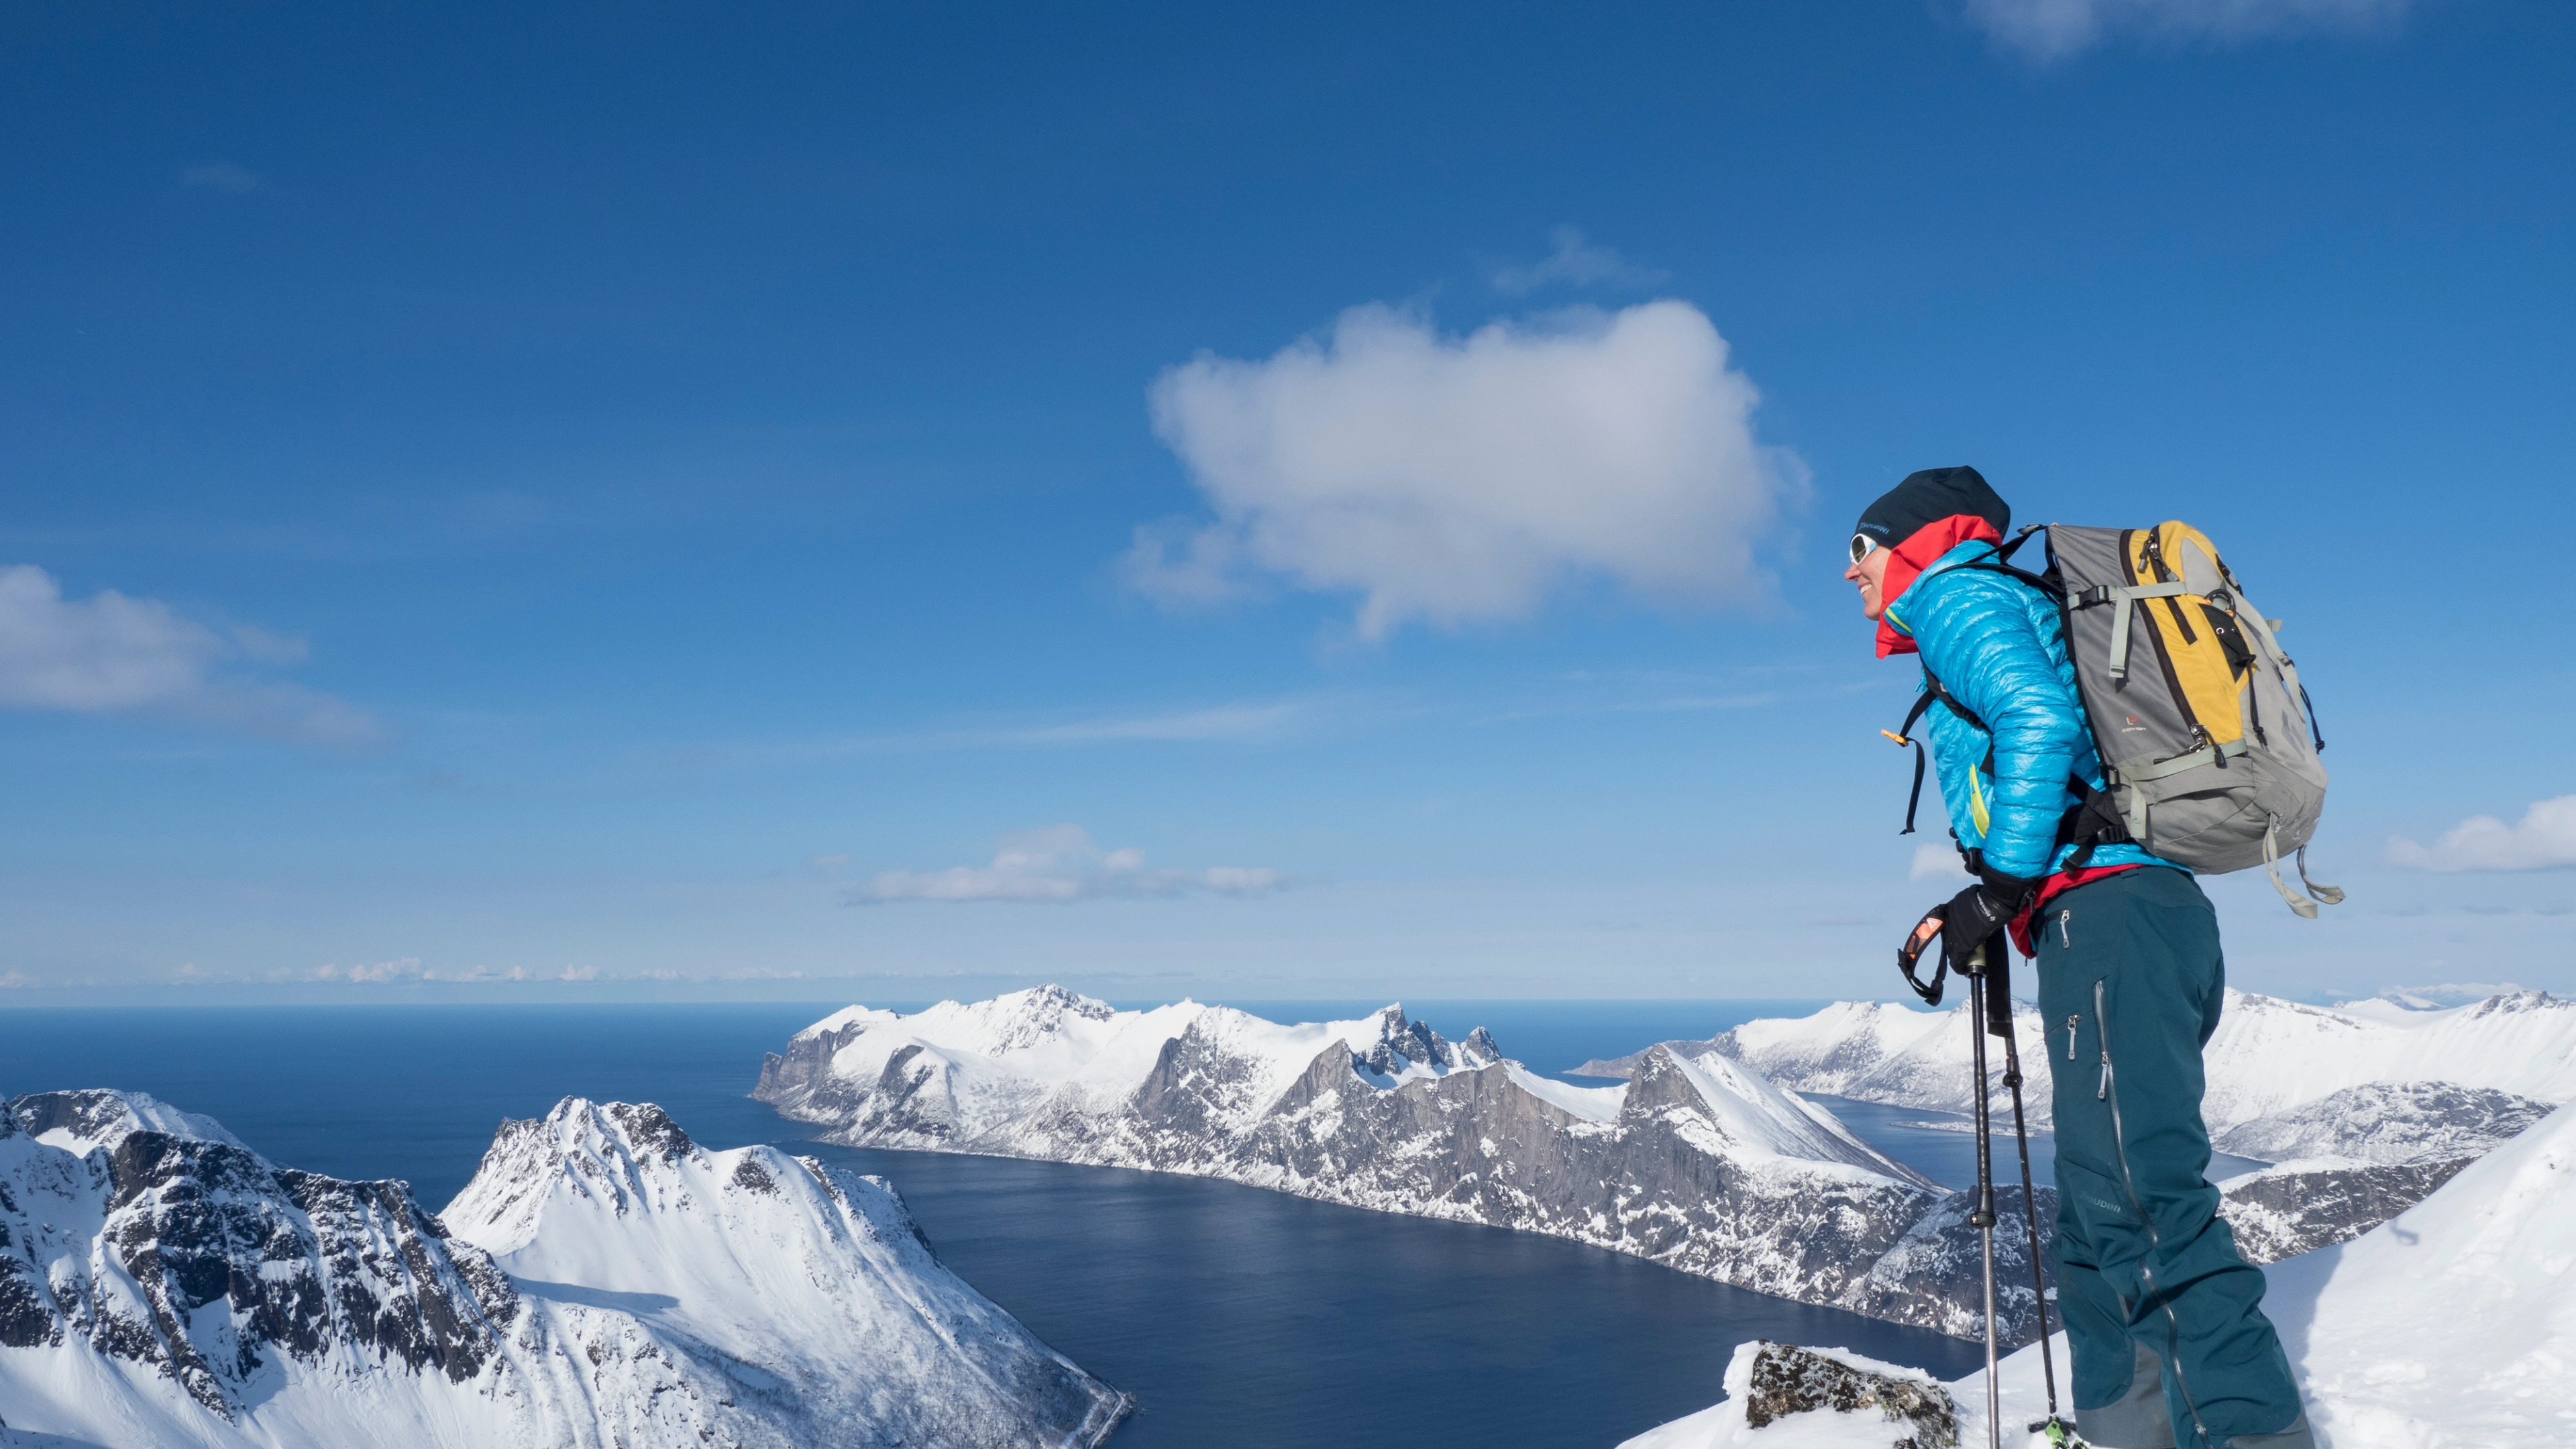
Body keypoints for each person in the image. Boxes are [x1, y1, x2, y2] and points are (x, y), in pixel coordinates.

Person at [1844, 467, 2312, 1449]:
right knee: (2100, 1207)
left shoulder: (1955, 595)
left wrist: (1998, 889)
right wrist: (1989, 899)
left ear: (1915, 542)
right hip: (2111, 915)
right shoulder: (1996, 601)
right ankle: (2128, 1429)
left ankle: (2243, 1434)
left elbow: (2040, 719)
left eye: (1859, 549)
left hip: (2110, 917)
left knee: (2141, 1198)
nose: (1850, 575)